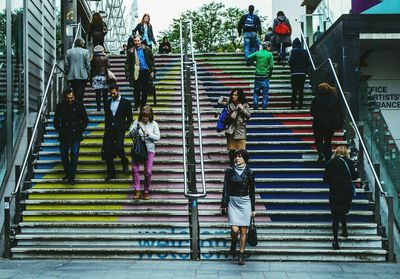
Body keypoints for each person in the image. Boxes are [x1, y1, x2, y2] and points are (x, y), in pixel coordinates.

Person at [220, 149, 255, 265]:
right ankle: (233, 242)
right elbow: (226, 188)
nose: (237, 158)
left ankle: (241, 255)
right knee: (235, 229)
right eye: (236, 156)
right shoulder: (229, 171)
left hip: (245, 202)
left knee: (243, 231)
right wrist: (223, 204)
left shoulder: (250, 172)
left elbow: (252, 191)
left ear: (245, 159)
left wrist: (253, 209)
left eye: (240, 157)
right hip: (233, 202)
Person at [323, 146, 358, 250]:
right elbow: (355, 177)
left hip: (335, 192)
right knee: (342, 211)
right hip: (346, 192)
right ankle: (344, 230)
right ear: (346, 153)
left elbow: (325, 179)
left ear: (336, 152)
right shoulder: (349, 162)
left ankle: (335, 240)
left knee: (335, 216)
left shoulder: (330, 163)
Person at [54, 88, 89, 185]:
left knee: (74, 155)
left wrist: (80, 129)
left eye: (72, 98)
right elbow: (56, 121)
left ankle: (71, 177)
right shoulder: (60, 106)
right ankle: (68, 173)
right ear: (65, 98)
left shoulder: (79, 105)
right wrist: (60, 130)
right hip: (64, 135)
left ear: (74, 96)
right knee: (64, 156)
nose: (70, 100)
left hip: (76, 135)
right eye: (68, 98)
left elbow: (85, 120)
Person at [128, 105, 161, 200]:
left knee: (148, 171)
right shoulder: (136, 122)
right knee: (135, 169)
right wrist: (135, 129)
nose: (145, 118)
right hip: (137, 149)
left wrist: (149, 134)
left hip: (149, 150)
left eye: (147, 116)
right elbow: (129, 134)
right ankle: (137, 190)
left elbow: (158, 137)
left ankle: (146, 190)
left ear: (150, 116)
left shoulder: (154, 124)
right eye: (143, 116)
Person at [103, 84, 133, 181]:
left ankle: (124, 161)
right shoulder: (107, 102)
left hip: (120, 129)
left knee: (119, 147)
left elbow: (130, 118)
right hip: (109, 130)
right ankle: (111, 174)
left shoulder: (126, 102)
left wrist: (125, 127)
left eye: (114, 93)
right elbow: (107, 117)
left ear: (118, 91)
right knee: (107, 151)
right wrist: (106, 127)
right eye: (111, 93)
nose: (112, 95)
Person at [310, 83, 342, 163]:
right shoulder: (333, 98)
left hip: (318, 122)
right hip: (330, 122)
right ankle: (328, 157)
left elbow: (312, 112)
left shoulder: (316, 98)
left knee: (318, 139)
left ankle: (320, 153)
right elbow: (338, 109)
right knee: (328, 141)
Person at [218, 89, 251, 166]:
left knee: (242, 150)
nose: (234, 96)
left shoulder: (245, 104)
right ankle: (232, 165)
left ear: (240, 96)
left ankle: (242, 165)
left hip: (240, 130)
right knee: (232, 150)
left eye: (236, 95)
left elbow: (248, 116)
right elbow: (219, 102)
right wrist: (226, 98)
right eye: (233, 94)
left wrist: (242, 109)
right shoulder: (229, 103)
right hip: (231, 130)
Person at [125, 35, 155, 110]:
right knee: (136, 89)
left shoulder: (147, 49)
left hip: (145, 71)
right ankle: (136, 104)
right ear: (133, 41)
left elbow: (152, 61)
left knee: (145, 89)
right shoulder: (131, 51)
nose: (137, 42)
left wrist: (152, 70)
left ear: (140, 41)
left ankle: (143, 105)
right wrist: (128, 74)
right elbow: (127, 63)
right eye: (135, 41)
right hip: (136, 72)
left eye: (138, 41)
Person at [247, 41, 274, 110]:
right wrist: (270, 74)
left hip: (257, 75)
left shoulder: (257, 53)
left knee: (256, 92)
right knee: (265, 93)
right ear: (267, 47)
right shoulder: (269, 54)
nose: (270, 48)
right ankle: (264, 106)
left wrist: (253, 64)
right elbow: (271, 66)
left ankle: (255, 104)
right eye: (269, 47)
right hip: (265, 75)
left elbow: (248, 57)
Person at [65, 37, 90, 103]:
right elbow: (88, 64)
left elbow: (66, 64)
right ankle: (79, 106)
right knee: (81, 92)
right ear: (82, 44)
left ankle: (75, 106)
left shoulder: (69, 51)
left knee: (74, 91)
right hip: (82, 75)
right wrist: (89, 73)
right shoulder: (86, 52)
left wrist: (67, 73)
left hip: (72, 75)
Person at [288, 38, 311, 109]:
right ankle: (300, 106)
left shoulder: (293, 51)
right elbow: (308, 62)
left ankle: (293, 106)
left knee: (294, 90)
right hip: (302, 73)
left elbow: (291, 61)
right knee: (301, 90)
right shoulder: (305, 51)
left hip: (294, 73)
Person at [90, 45, 111, 111]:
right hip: (104, 76)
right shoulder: (105, 57)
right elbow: (109, 66)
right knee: (105, 95)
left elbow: (91, 67)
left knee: (97, 94)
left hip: (95, 76)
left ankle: (98, 108)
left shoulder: (92, 57)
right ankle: (105, 107)